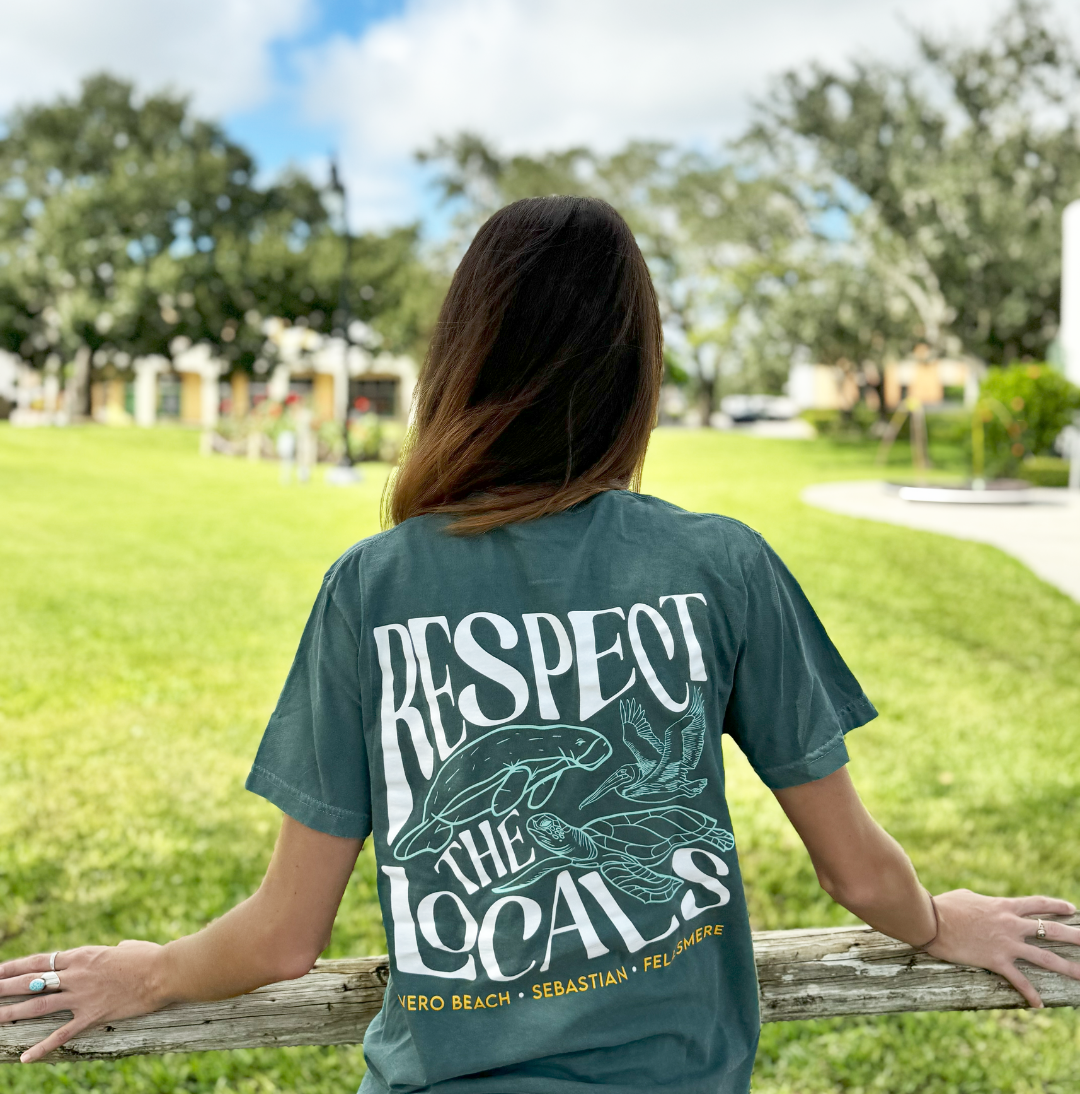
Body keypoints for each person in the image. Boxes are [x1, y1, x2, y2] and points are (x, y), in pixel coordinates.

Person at [3, 197, 1078, 1091]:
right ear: (636, 368)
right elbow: (854, 871)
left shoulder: (369, 588)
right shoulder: (722, 565)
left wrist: (148, 975)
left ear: (463, 359)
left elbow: (284, 935)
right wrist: (938, 919)